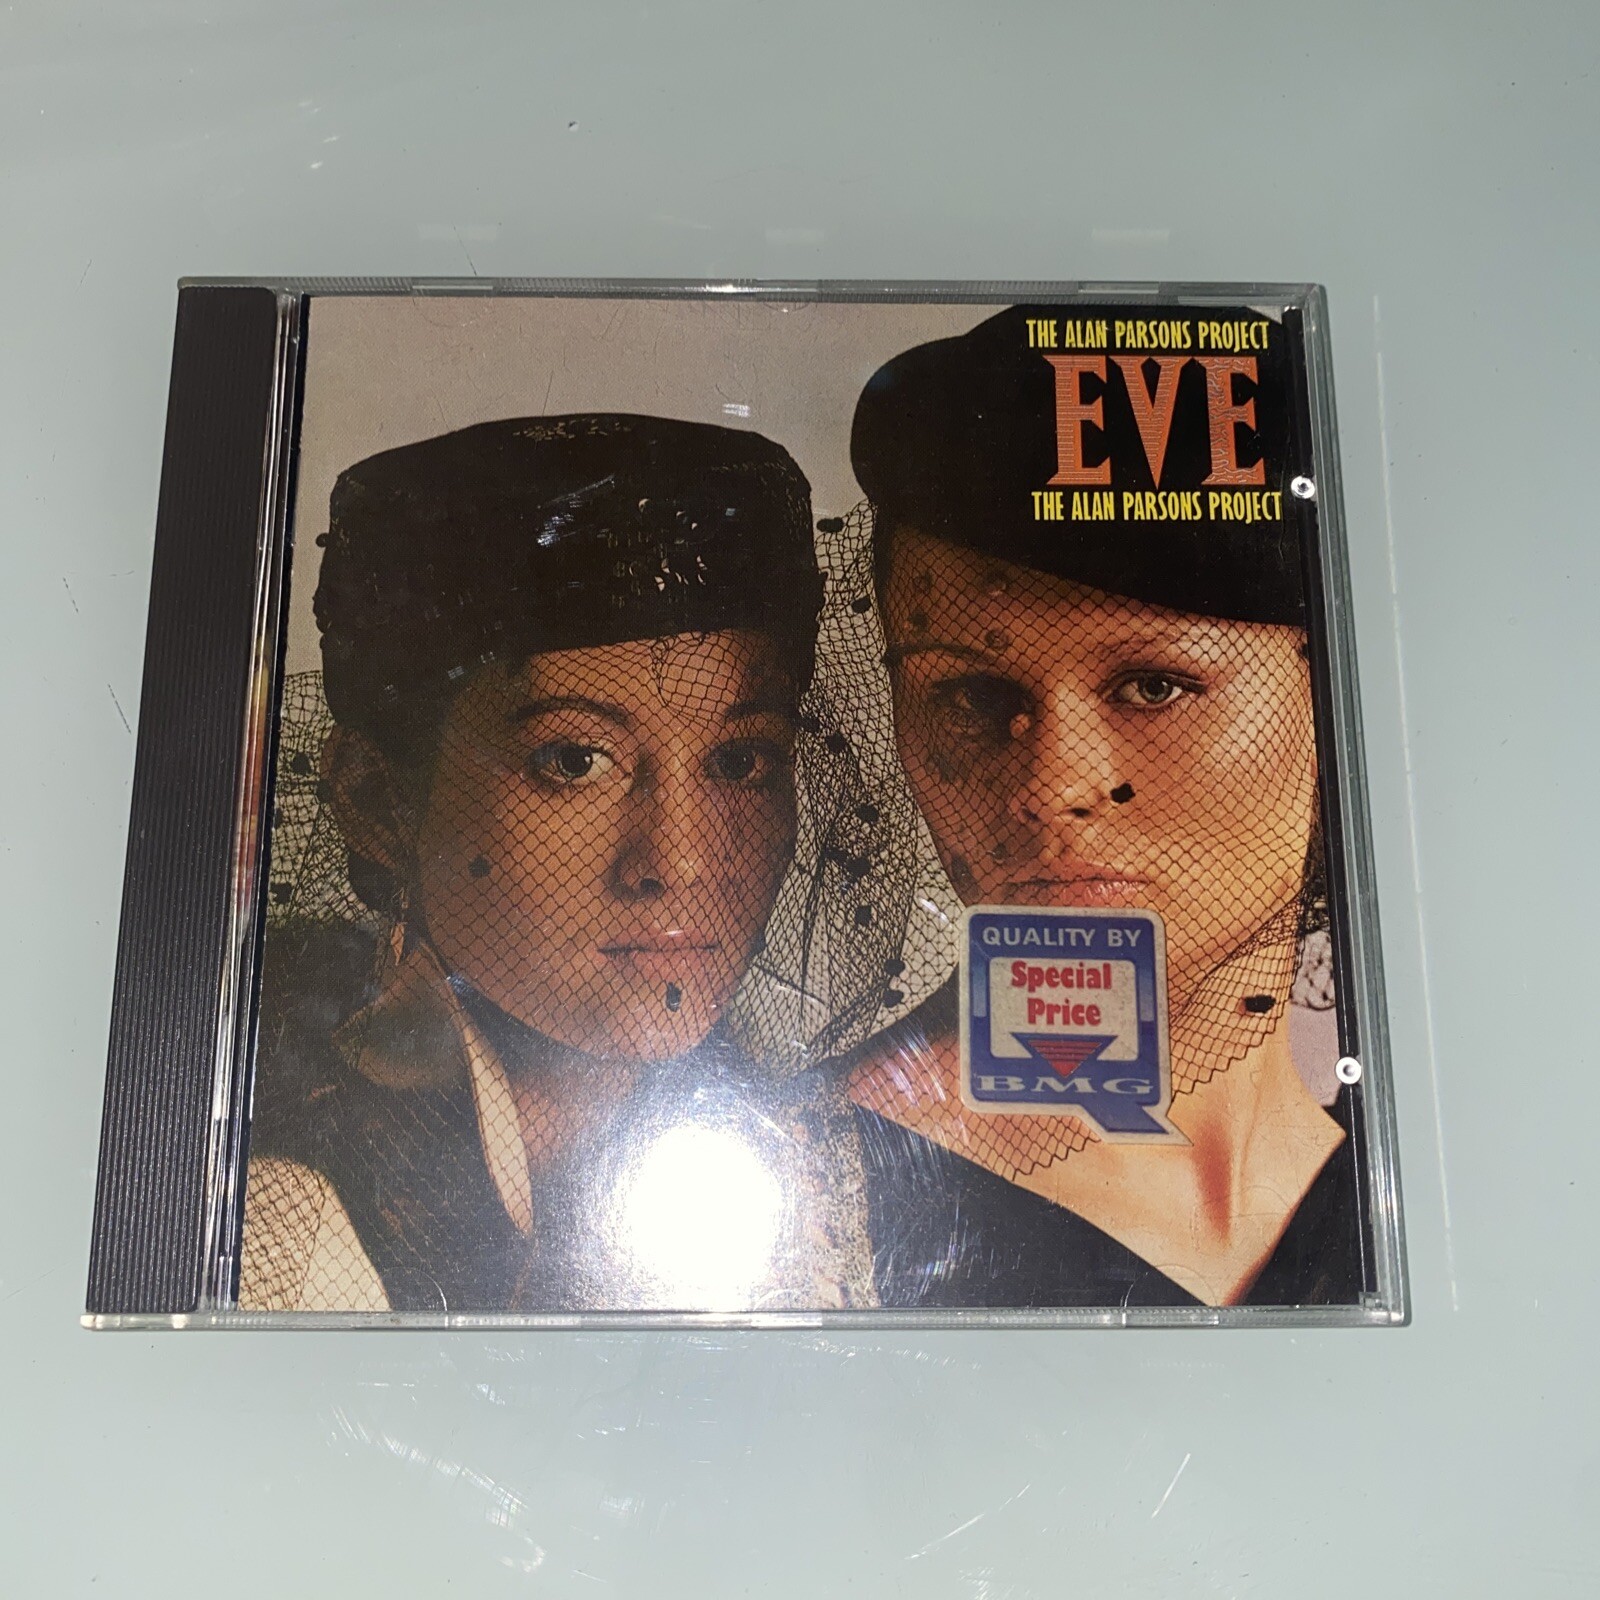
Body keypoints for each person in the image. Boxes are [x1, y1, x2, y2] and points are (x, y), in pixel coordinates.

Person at [238, 414, 874, 1314]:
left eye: (740, 762)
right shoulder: (283, 1227)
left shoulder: (825, 1165)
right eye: (575, 761)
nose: (680, 861)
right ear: (378, 801)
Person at [838, 307, 1366, 1309]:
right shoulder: (831, 1208)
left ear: (1330, 694)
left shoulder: (1421, 1180)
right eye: (971, 694)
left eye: (1154, 686)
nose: (1048, 789)